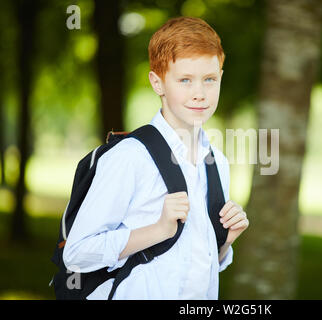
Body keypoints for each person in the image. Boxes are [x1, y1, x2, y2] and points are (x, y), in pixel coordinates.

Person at [63, 16, 249, 300]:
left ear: (220, 77)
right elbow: (76, 254)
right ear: (158, 82)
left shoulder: (218, 162)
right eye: (185, 80)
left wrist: (225, 241)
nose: (200, 93)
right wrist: (158, 229)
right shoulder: (131, 157)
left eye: (209, 79)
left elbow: (197, 265)